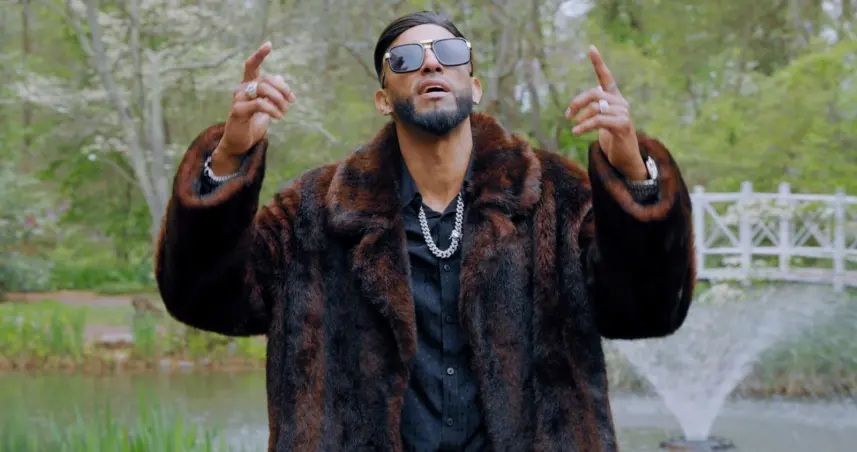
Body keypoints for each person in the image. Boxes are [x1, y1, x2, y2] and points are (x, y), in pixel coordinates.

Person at [155, 10, 695, 452]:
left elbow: (646, 310)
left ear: (474, 87)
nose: (431, 63)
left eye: (450, 53)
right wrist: (229, 158)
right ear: (383, 99)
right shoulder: (313, 212)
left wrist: (633, 176)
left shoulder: (556, 196)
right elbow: (205, 300)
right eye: (406, 60)